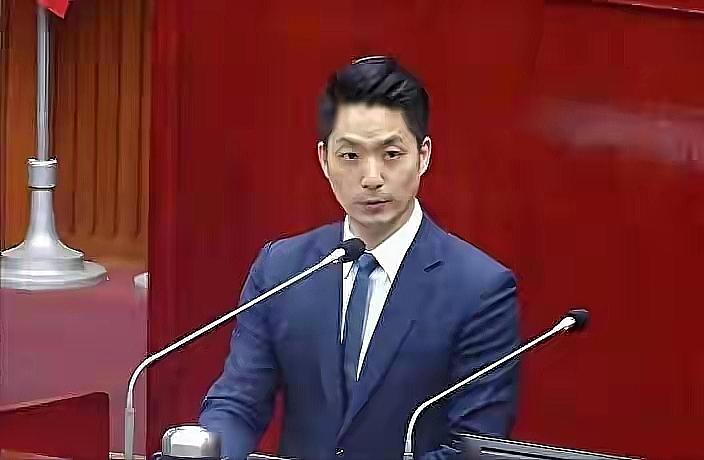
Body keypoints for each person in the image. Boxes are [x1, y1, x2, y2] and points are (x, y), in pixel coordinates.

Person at [199, 56, 520, 460]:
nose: (371, 178)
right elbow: (238, 402)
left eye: (391, 154)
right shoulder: (282, 269)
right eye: (350, 156)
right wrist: (209, 449)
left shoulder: (480, 289)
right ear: (324, 159)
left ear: (423, 156)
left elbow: (471, 446)